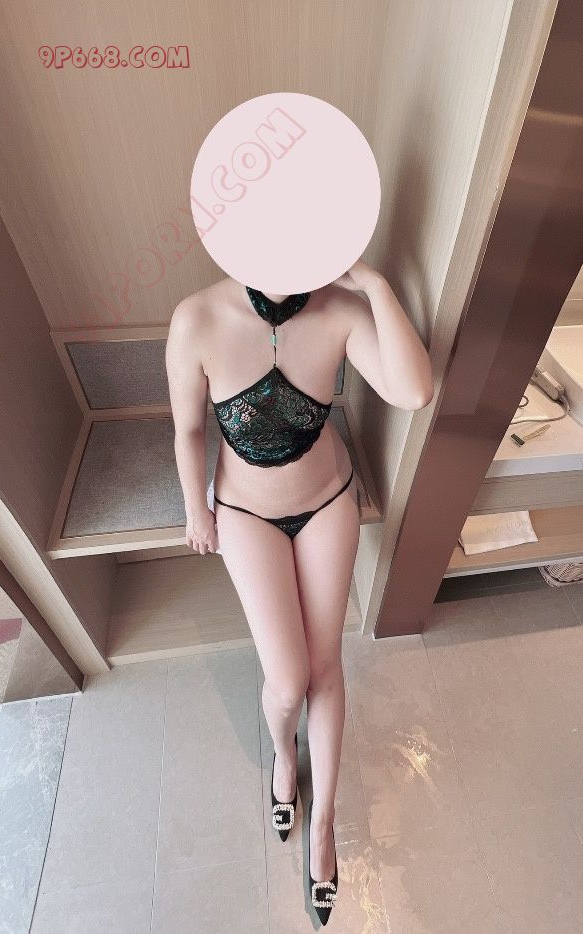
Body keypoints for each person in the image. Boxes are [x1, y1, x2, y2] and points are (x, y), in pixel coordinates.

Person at [166, 257, 433, 923]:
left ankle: (323, 827)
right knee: (286, 681)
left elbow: (413, 391)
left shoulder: (340, 308)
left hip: (327, 500)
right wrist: (195, 508)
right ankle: (285, 757)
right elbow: (188, 428)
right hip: (244, 511)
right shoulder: (196, 317)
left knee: (324, 666)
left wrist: (375, 285)